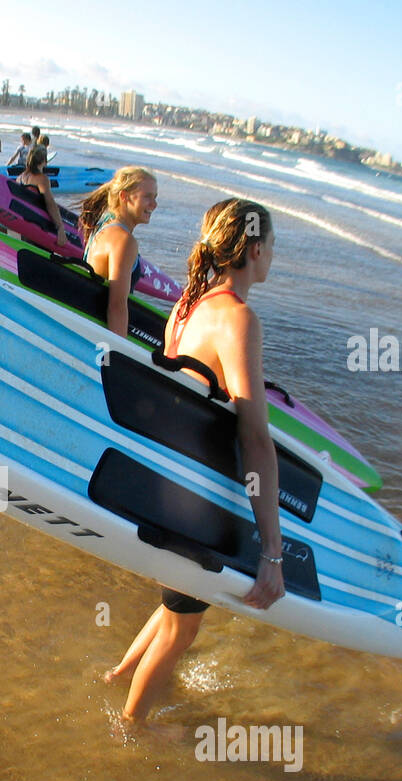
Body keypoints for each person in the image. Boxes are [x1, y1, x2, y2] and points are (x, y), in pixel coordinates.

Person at [104, 198, 285, 726]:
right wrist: (271, 554)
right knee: (183, 626)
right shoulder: (239, 318)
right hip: (198, 498)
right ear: (253, 250)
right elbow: (255, 438)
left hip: (171, 477)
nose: (274, 256)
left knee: (175, 602)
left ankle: (118, 675)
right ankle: (131, 725)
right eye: (272, 246)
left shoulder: (192, 302)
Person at [79, 166, 158, 339]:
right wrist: (119, 354)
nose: (154, 205)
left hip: (90, 326)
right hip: (102, 335)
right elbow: (116, 306)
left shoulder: (104, 226)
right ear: (124, 197)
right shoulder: (124, 241)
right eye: (147, 197)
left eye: (155, 198)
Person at [15, 146, 68, 247]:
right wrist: (60, 227)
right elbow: (50, 204)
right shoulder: (42, 179)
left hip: (25, 224)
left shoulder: (20, 177)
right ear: (44, 161)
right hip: (40, 225)